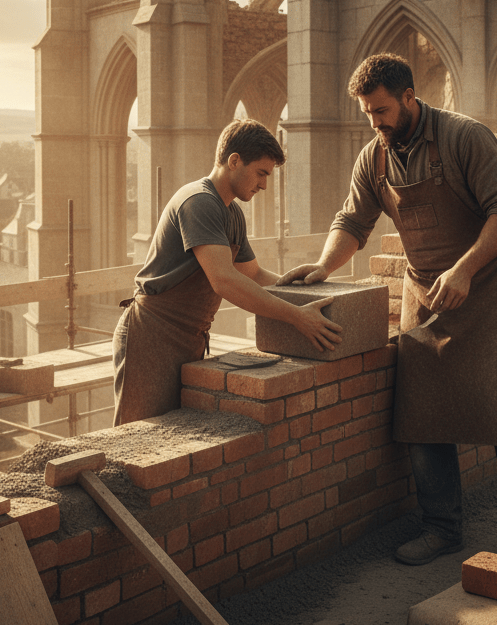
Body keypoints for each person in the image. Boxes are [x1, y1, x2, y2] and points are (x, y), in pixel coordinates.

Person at [278, 53, 497, 565]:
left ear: (409, 98)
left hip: (483, 294)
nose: (374, 122)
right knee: (423, 419)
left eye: (380, 111)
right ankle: (443, 529)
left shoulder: (465, 138)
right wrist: (323, 267)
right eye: (367, 113)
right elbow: (353, 222)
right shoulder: (375, 158)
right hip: (422, 299)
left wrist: (465, 270)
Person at [113, 118, 342, 426]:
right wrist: (297, 317)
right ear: (234, 161)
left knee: (174, 434)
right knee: (138, 436)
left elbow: (253, 275)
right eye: (261, 173)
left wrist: (304, 290)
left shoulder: (231, 212)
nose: (263, 185)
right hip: (151, 335)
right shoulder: (199, 201)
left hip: (187, 338)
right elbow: (224, 281)